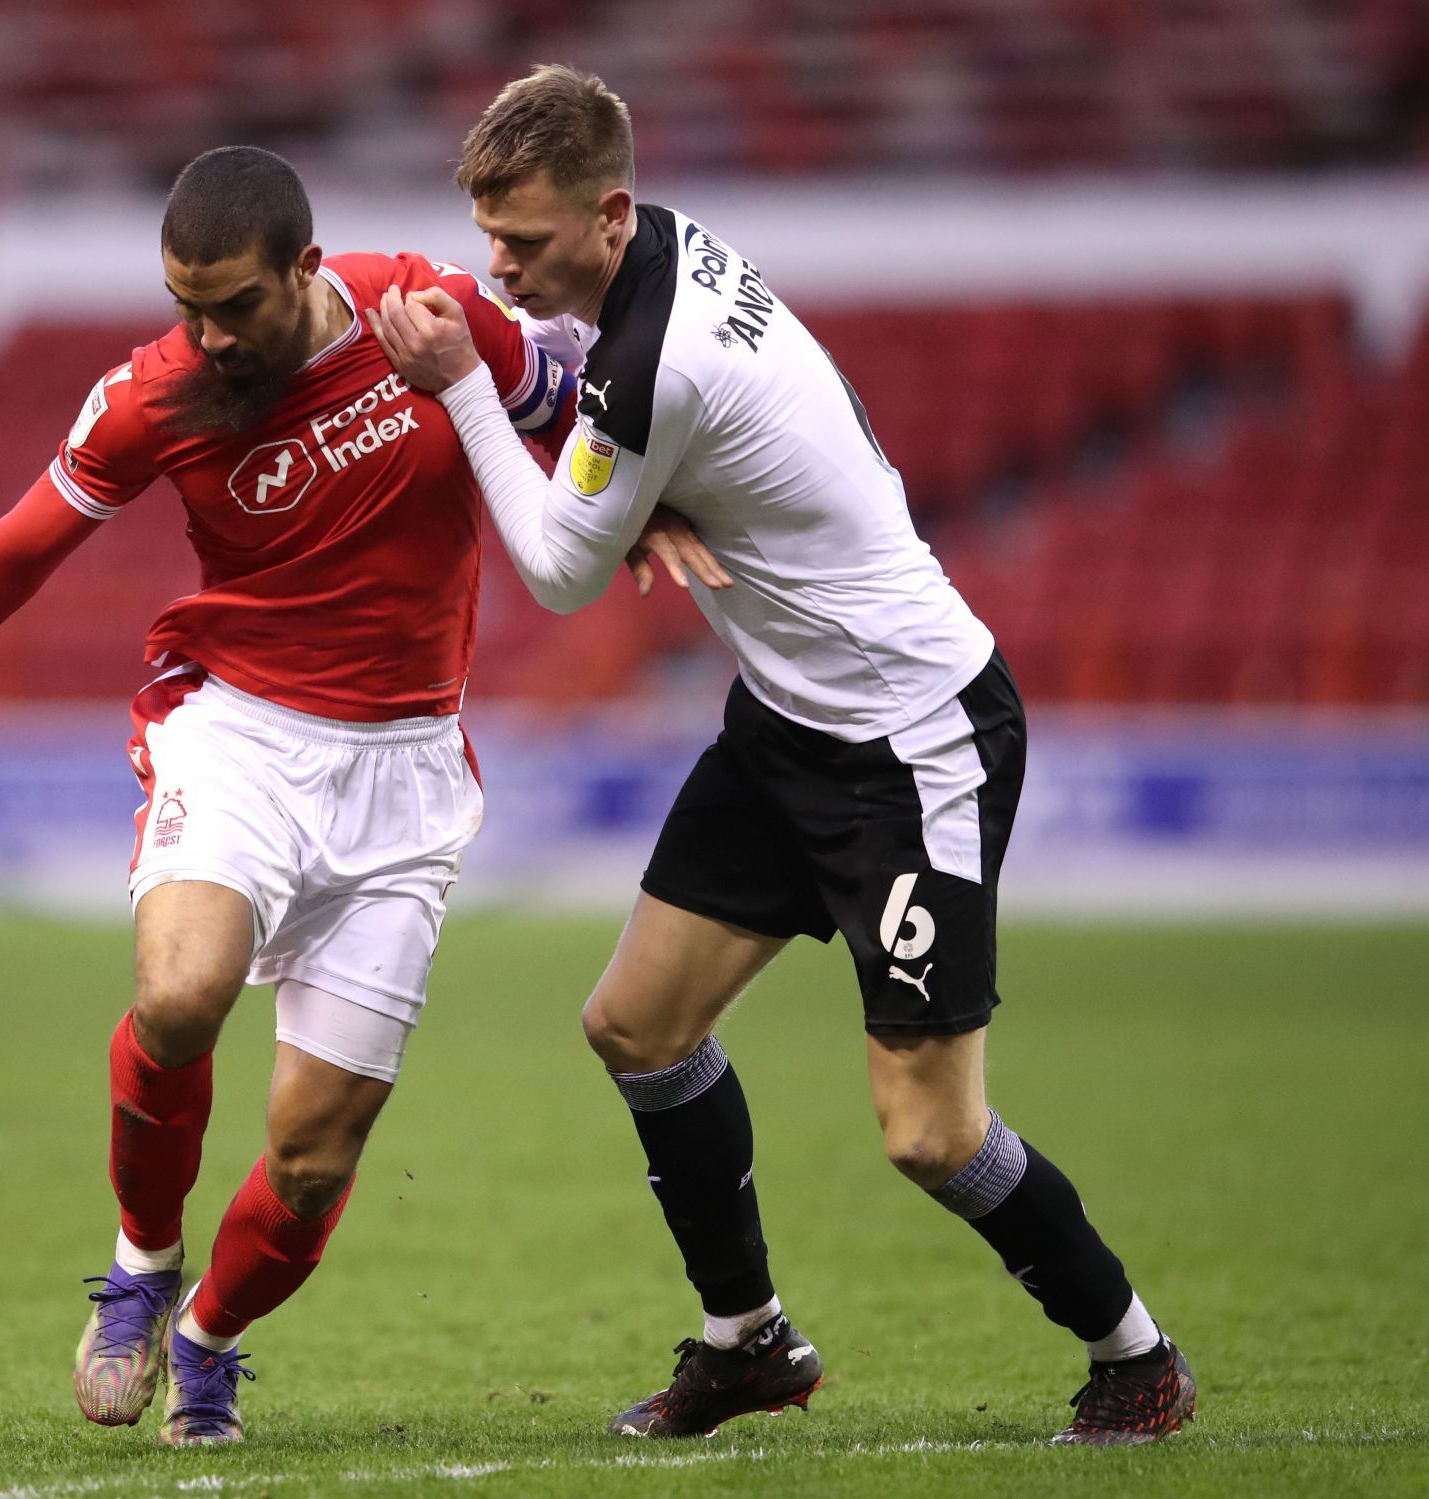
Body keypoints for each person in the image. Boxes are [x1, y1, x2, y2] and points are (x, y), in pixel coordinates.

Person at [0, 146, 714, 1447]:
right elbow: (14, 552)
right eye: (183, 305)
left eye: (235, 306)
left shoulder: (424, 315)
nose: (206, 334)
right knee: (177, 989)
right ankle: (140, 1269)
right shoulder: (153, 397)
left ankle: (210, 1334)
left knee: (315, 1149)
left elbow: (562, 397)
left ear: (308, 271)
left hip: (408, 772)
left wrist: (649, 505)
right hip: (241, 732)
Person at [365, 65, 1195, 1447]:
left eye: (522, 243)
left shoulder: (660, 358)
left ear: (611, 214)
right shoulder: (663, 265)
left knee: (929, 1130)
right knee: (636, 1022)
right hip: (789, 724)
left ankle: (1136, 1353)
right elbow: (607, 433)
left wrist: (464, 388)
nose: (498, 270)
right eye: (490, 240)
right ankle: (746, 1338)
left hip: (915, 738)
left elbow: (562, 569)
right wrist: (631, 491)